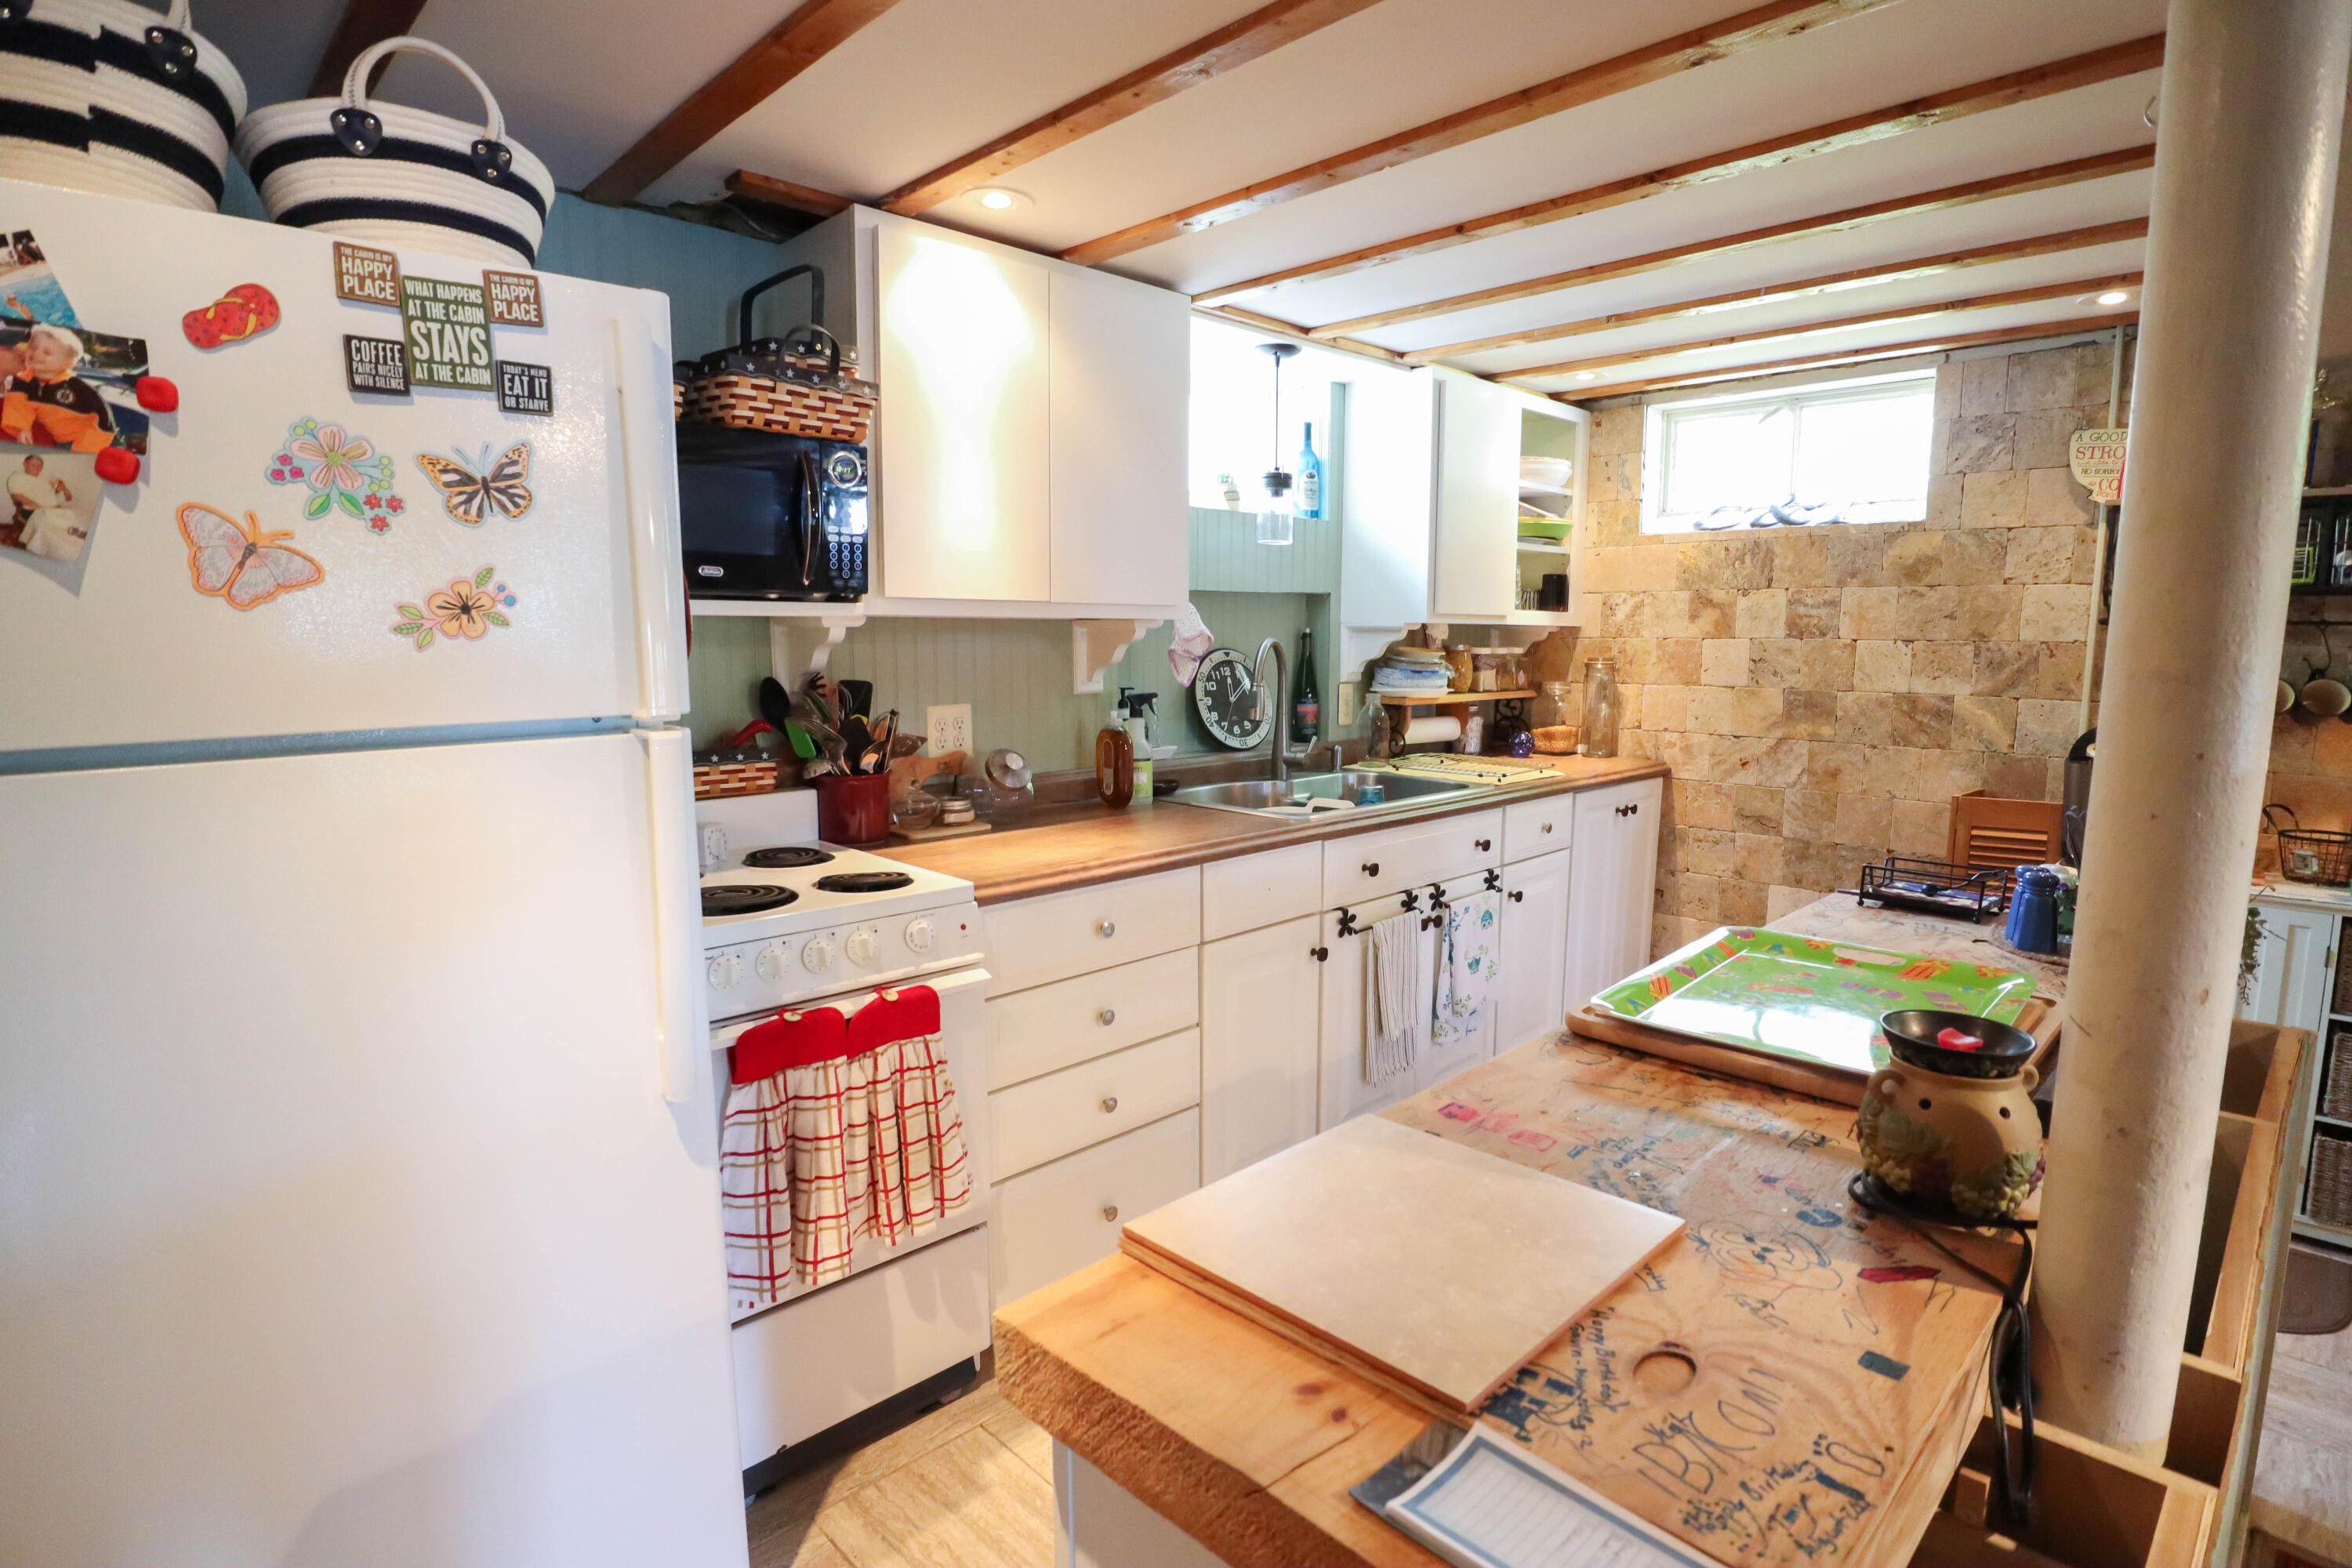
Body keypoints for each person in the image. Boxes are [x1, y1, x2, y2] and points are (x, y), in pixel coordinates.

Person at [1, 324, 114, 454]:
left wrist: (82, 453)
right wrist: (21, 428)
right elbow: (19, 404)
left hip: (81, 442)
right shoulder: (23, 381)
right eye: (33, 347)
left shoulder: (77, 388)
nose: (31, 353)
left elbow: (105, 423)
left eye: (47, 352)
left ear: (67, 364)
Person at [11, 453, 82, 560]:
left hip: (55, 509)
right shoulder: (17, 477)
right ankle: (38, 552)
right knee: (53, 527)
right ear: (25, 464)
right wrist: (40, 508)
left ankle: (74, 540)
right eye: (33, 465)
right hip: (34, 510)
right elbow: (16, 496)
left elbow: (64, 491)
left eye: (40, 465)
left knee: (76, 520)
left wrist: (65, 490)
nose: (37, 468)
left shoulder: (46, 477)